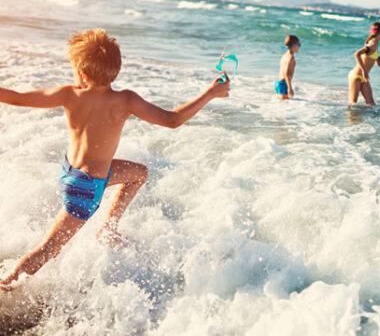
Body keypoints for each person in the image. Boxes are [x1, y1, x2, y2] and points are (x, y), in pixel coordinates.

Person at [0, 28, 229, 289]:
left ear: (83, 74)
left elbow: (17, 99)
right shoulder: (125, 100)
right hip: (86, 189)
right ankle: (6, 283)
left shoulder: (69, 94)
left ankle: (108, 228)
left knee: (138, 173)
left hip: (73, 173)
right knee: (48, 250)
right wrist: (211, 93)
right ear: (115, 70)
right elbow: (172, 120)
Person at [348, 22, 380, 105]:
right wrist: (364, 71)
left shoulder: (376, 44)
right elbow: (357, 54)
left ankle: (366, 118)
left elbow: (378, 63)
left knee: (371, 104)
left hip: (364, 78)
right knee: (353, 104)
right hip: (356, 76)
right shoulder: (373, 44)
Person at [274, 35, 301, 100]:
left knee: (282, 105)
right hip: (283, 84)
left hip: (278, 82)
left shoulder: (285, 55)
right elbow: (286, 73)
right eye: (299, 44)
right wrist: (290, 88)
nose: (299, 46)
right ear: (294, 45)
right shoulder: (291, 57)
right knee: (283, 107)